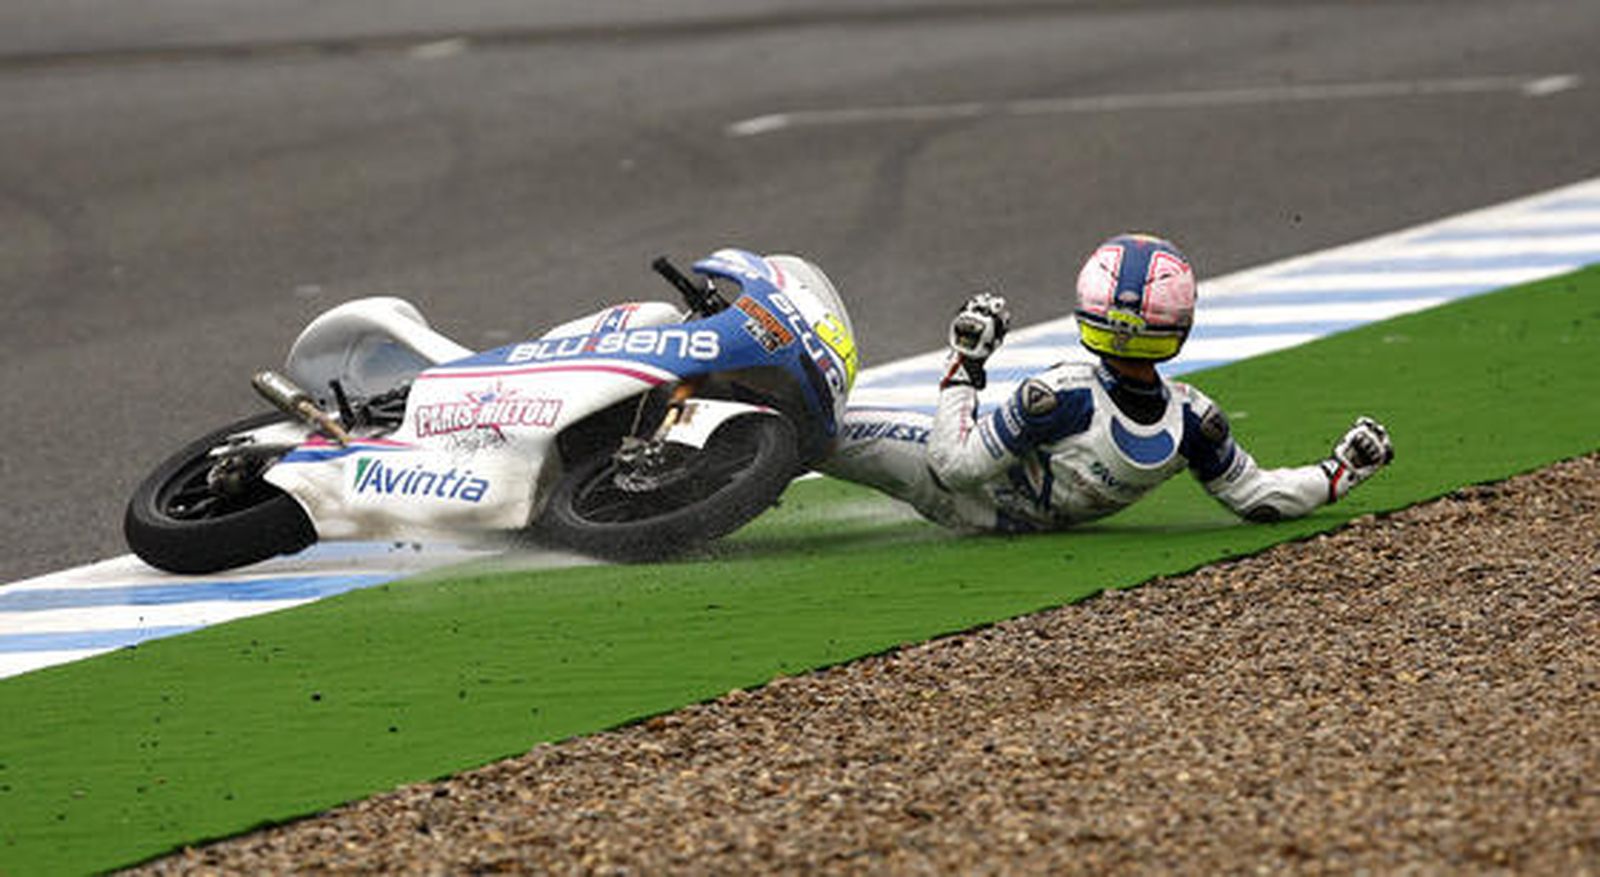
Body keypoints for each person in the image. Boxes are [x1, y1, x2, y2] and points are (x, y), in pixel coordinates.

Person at [819, 233, 1394, 532]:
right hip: (1028, 522)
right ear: (1178, 322)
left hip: (966, 497)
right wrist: (1339, 473)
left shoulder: (1059, 397)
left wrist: (966, 361)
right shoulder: (1194, 420)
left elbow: (953, 466)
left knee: (823, 422)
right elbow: (1258, 498)